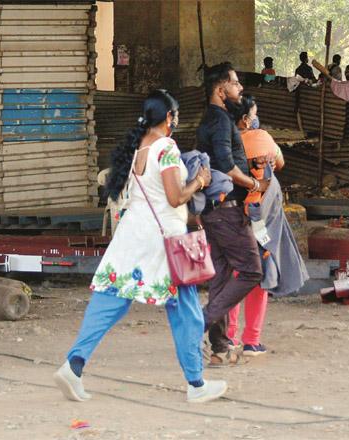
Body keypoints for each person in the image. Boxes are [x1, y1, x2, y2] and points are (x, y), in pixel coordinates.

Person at [53, 90, 227, 404]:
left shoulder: (138, 149)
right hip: (163, 244)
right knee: (186, 310)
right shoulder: (167, 148)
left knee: (108, 302)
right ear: (170, 118)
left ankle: (73, 365)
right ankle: (196, 384)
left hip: (131, 236)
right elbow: (176, 197)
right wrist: (200, 182)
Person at [208, 95, 307, 365]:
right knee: (259, 274)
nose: (255, 118)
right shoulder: (261, 136)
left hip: (231, 218)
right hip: (260, 218)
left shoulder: (222, 143)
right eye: (253, 113)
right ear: (245, 118)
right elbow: (281, 163)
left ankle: (229, 335)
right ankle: (251, 340)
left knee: (234, 275)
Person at [195, 63, 268, 358]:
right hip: (226, 210)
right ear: (220, 89)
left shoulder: (213, 119)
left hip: (215, 210)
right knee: (252, 270)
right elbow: (226, 164)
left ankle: (220, 348)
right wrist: (254, 183)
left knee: (222, 278)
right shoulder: (221, 121)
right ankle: (199, 321)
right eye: (235, 84)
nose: (239, 89)